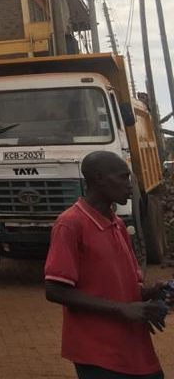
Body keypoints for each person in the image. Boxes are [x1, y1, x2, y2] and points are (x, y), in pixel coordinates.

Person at [44, 150, 170, 379]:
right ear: (99, 178)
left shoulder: (118, 225)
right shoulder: (70, 225)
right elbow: (54, 290)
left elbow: (121, 287)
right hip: (97, 351)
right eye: (123, 177)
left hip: (132, 346)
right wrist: (123, 309)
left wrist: (150, 293)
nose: (130, 185)